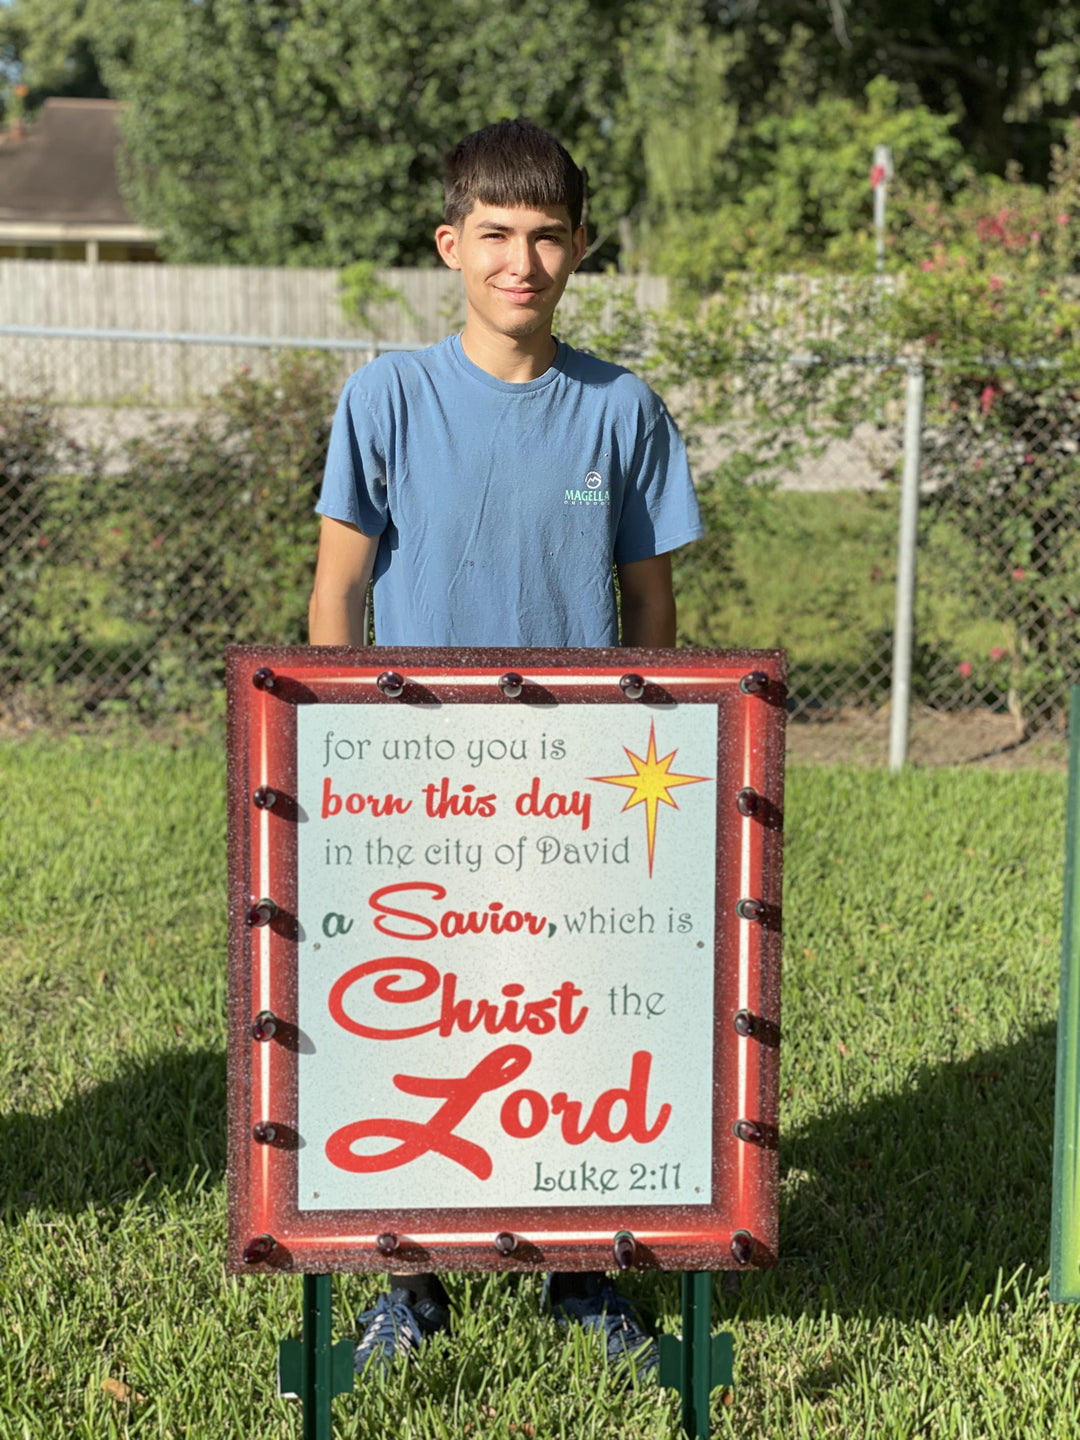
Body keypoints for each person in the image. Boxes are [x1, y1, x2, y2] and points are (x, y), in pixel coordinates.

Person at [308, 117, 704, 1383]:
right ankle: (402, 1275)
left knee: (571, 1011)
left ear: (579, 247)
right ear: (451, 244)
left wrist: (639, 743)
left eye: (545, 236)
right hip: (418, 780)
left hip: (579, 783)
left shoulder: (622, 407)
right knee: (417, 1014)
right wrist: (354, 740)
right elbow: (336, 593)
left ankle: (582, 1270)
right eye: (494, 235)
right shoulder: (388, 395)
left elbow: (649, 604)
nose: (519, 260)